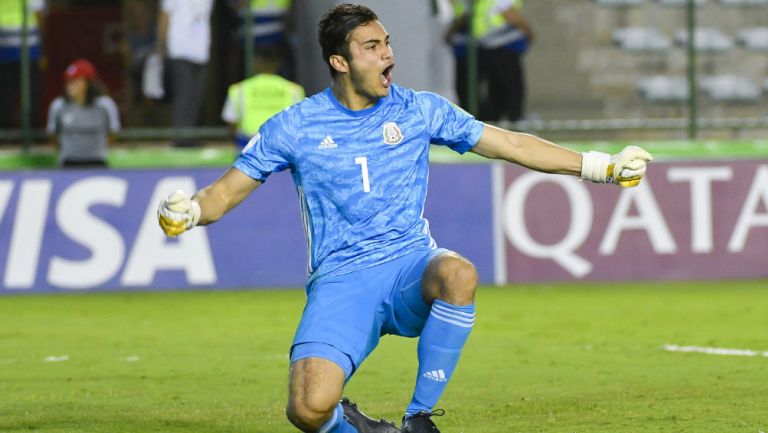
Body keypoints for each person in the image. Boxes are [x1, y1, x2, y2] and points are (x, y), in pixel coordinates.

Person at [157, 4, 653, 433]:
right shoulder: (296, 125)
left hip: (408, 266)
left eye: (387, 43)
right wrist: (191, 211)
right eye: (371, 47)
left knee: (458, 273)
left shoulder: (420, 110)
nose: (387, 55)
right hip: (341, 282)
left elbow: (512, 144)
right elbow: (224, 193)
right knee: (308, 409)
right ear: (340, 61)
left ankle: (420, 416)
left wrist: (600, 166)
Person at [220, 45, 304, 149]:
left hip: (248, 143)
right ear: (277, 63)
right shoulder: (294, 90)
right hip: (282, 144)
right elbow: (300, 123)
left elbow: (231, 121)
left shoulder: (239, 89)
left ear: (255, 62)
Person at [156, 0, 214, 147]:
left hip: (201, 50)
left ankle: (189, 136)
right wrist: (160, 46)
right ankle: (180, 137)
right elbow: (164, 16)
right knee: (183, 94)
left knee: (196, 96)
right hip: (180, 48)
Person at [46, 59, 121, 168]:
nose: (70, 85)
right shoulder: (58, 106)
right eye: (68, 81)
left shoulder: (105, 105)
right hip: (68, 162)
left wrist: (97, 150)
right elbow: (53, 134)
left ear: (88, 82)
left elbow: (113, 132)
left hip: (97, 161)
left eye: (75, 80)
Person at [474, 0, 534, 121]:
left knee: (495, 88)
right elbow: (511, 15)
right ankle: (515, 120)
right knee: (513, 87)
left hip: (487, 46)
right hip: (503, 46)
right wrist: (530, 32)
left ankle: (494, 121)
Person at [0, 0, 45, 130]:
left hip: (10, 48)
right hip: (27, 48)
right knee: (27, 93)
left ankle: (7, 134)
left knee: (7, 92)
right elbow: (39, 15)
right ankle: (27, 133)